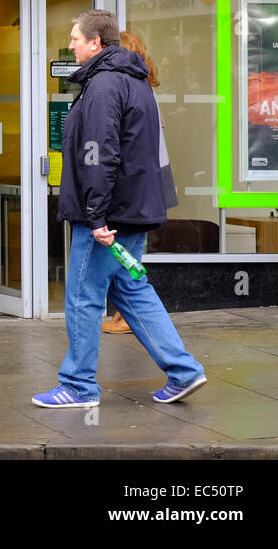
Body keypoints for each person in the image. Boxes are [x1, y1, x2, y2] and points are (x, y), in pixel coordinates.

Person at [33, 10, 207, 408]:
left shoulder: (104, 85)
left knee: (82, 295)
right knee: (130, 289)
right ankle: (184, 370)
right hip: (132, 209)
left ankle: (77, 385)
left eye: (75, 38)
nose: (71, 44)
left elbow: (99, 155)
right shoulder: (134, 80)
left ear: (96, 43)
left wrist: (95, 217)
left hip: (107, 215)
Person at [102, 29, 174, 336]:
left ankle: (125, 315)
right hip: (154, 175)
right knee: (131, 257)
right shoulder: (144, 87)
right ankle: (125, 314)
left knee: (128, 259)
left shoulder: (130, 89)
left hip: (142, 180)